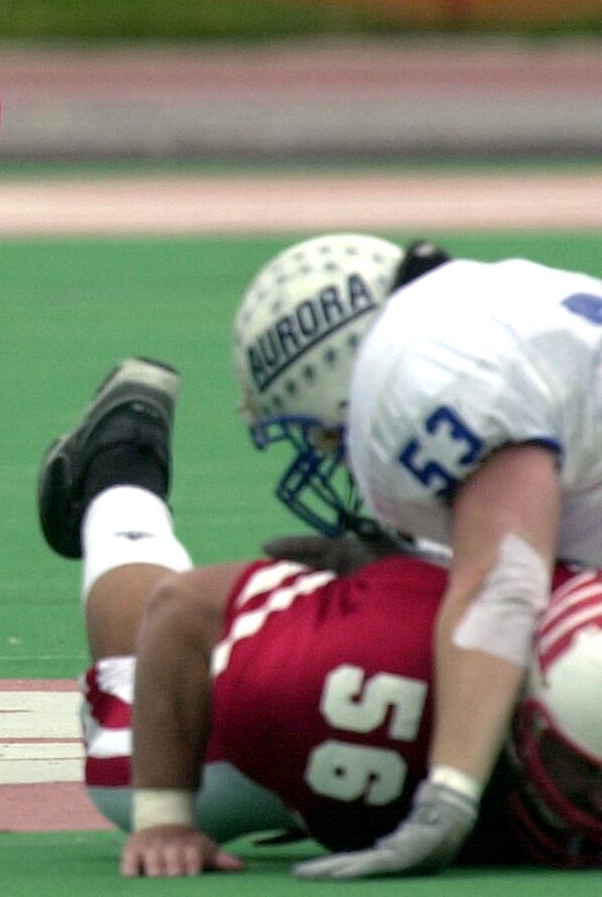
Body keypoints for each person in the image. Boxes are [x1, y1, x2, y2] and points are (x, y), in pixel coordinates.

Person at [37, 357, 602, 878]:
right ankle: (120, 471)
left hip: (433, 620)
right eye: (587, 774)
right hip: (304, 720)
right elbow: (182, 609)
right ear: (525, 719)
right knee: (129, 719)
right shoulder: (351, 674)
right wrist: (165, 816)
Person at [230, 233, 602, 875]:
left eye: (322, 437)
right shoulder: (482, 297)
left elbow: (505, 580)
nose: (330, 455)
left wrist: (449, 797)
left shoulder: (420, 377)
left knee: (575, 676)